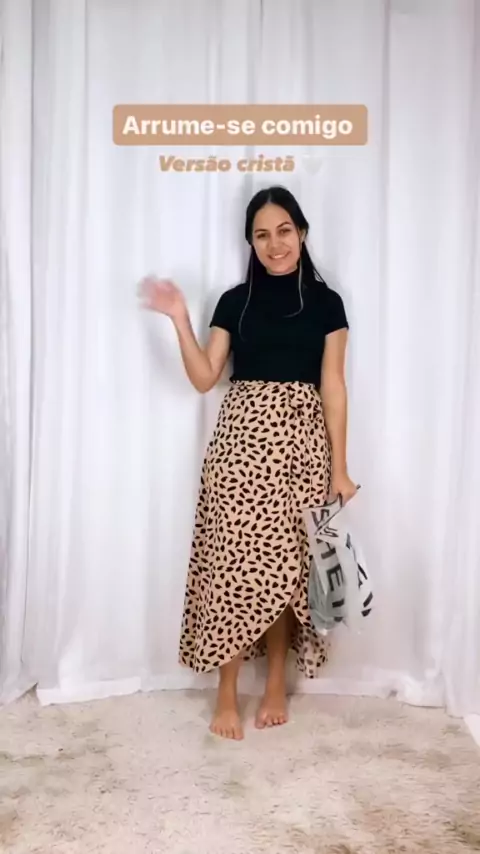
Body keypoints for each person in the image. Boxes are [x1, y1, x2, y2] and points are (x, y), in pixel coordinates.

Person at [138, 185, 357, 741]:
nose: (274, 244)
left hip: (302, 450)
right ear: (251, 242)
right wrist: (179, 317)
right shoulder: (234, 302)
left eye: (284, 231)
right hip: (240, 451)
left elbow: (333, 386)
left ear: (301, 233)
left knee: (286, 572)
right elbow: (204, 377)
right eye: (262, 235)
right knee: (233, 567)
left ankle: (277, 681)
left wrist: (340, 467)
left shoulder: (327, 304)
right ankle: (227, 691)